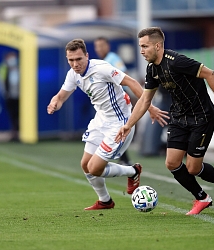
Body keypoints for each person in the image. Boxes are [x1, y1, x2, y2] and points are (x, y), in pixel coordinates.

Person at [115, 27, 214, 215]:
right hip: (179, 117)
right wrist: (129, 125)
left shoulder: (177, 61)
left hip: (201, 117)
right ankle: (202, 197)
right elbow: (146, 100)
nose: (141, 51)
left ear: (158, 45)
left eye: (145, 46)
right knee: (171, 163)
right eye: (140, 46)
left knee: (193, 168)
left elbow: (211, 74)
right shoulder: (151, 69)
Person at [47, 39, 168, 210]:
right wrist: (55, 103)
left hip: (120, 122)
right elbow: (61, 97)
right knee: (85, 165)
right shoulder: (73, 74)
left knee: (95, 168)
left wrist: (150, 107)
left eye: (79, 59)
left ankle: (133, 171)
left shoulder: (102, 69)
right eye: (71, 60)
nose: (75, 64)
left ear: (87, 56)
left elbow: (132, 82)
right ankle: (105, 201)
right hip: (100, 120)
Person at [94, 36, 132, 165]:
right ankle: (122, 158)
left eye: (101, 46)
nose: (99, 49)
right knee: (109, 128)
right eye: (97, 46)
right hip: (107, 101)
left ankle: (123, 159)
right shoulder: (101, 62)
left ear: (107, 46)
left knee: (116, 127)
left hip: (119, 98)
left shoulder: (113, 59)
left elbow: (124, 74)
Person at [0, 51, 20, 141]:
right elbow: (1, 81)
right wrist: (5, 93)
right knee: (13, 115)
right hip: (10, 96)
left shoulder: (20, 67)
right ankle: (14, 133)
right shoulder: (4, 68)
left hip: (20, 96)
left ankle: (20, 133)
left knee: (20, 115)